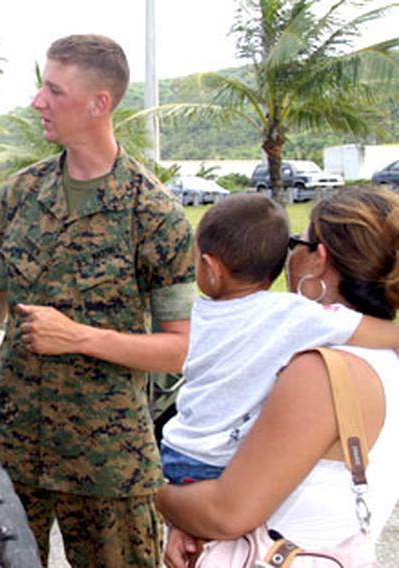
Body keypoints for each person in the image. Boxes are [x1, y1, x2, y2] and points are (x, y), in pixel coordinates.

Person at [0, 34, 195, 566]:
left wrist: (79, 338)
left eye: (53, 90)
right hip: (11, 447)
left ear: (99, 103)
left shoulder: (155, 215)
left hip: (106, 460)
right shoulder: (17, 197)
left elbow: (179, 350)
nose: (37, 102)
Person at [157, 186, 399, 568]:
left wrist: (163, 498)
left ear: (319, 259)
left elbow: (227, 512)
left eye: (294, 243)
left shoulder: (319, 370)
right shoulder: (384, 355)